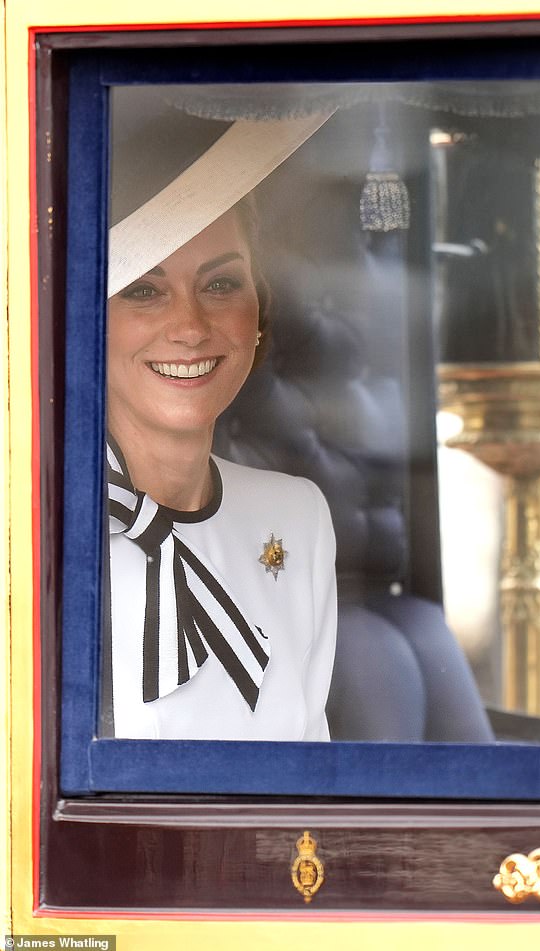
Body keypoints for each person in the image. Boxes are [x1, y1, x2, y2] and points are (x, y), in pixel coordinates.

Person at [104, 95, 337, 740]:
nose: (190, 326)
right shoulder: (34, 533)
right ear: (87, 322)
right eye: (143, 290)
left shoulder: (298, 519)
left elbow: (308, 782)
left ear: (258, 310)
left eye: (221, 284)